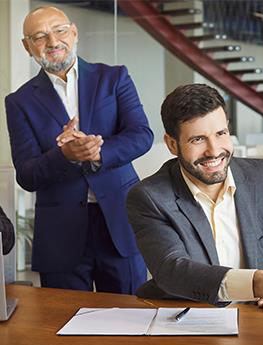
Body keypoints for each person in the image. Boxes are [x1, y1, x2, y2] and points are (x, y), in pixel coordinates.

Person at [126, 84, 263, 318]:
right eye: (198, 139)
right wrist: (257, 284)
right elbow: (172, 270)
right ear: (172, 144)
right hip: (187, 317)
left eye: (221, 134)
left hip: (260, 316)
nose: (214, 151)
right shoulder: (150, 197)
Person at [4, 6, 152, 293]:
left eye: (59, 31)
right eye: (39, 36)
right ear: (27, 46)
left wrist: (98, 152)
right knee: (64, 325)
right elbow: (27, 174)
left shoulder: (114, 78)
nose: (52, 41)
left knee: (130, 322)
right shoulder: (19, 102)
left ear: (73, 33)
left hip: (119, 223)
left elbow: (141, 135)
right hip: (61, 235)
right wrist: (64, 156)